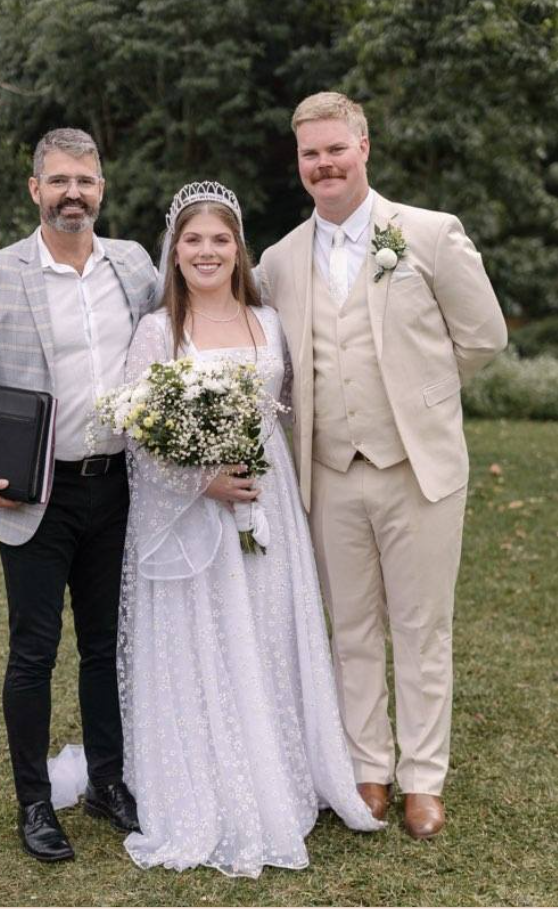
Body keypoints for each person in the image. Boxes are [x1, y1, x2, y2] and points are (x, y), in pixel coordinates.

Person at [91, 180, 382, 878]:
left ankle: (282, 769)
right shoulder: (158, 330)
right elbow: (136, 432)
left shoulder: (269, 321)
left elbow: (282, 415)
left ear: (238, 248)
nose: (206, 251)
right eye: (193, 239)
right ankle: (212, 777)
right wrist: (202, 479)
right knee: (214, 635)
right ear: (174, 250)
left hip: (268, 498)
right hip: (194, 509)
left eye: (219, 239)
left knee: (270, 628)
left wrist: (255, 478)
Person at [258, 92, 508, 838]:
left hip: (417, 468)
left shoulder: (427, 235)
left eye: (335, 148)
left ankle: (422, 777)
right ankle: (366, 768)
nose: (323, 163)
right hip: (327, 471)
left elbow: (483, 335)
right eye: (310, 153)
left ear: (363, 148)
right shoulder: (277, 260)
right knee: (351, 628)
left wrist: (419, 398)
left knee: (421, 625)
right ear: (298, 162)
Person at [0, 128, 157, 862]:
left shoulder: (132, 265)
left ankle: (108, 781)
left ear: (101, 188)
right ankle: (34, 802)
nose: (72, 194)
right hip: (33, 492)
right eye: (58, 180)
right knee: (33, 651)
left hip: (118, 487)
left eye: (85, 181)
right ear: (35, 189)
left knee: (105, 646)